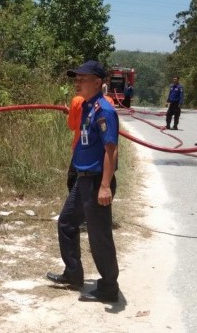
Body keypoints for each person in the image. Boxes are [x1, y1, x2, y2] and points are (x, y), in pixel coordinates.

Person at [46, 60, 120, 303]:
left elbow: (111, 150)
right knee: (66, 223)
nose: (77, 82)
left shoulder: (104, 110)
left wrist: (105, 186)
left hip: (97, 180)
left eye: (83, 78)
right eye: (76, 78)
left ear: (98, 82)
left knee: (99, 237)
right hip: (83, 179)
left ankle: (108, 287)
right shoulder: (87, 106)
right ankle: (73, 274)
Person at [66, 94, 117, 194]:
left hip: (80, 153)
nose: (77, 83)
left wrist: (71, 113)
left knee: (74, 186)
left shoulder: (77, 101)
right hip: (100, 155)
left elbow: (72, 126)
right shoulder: (109, 101)